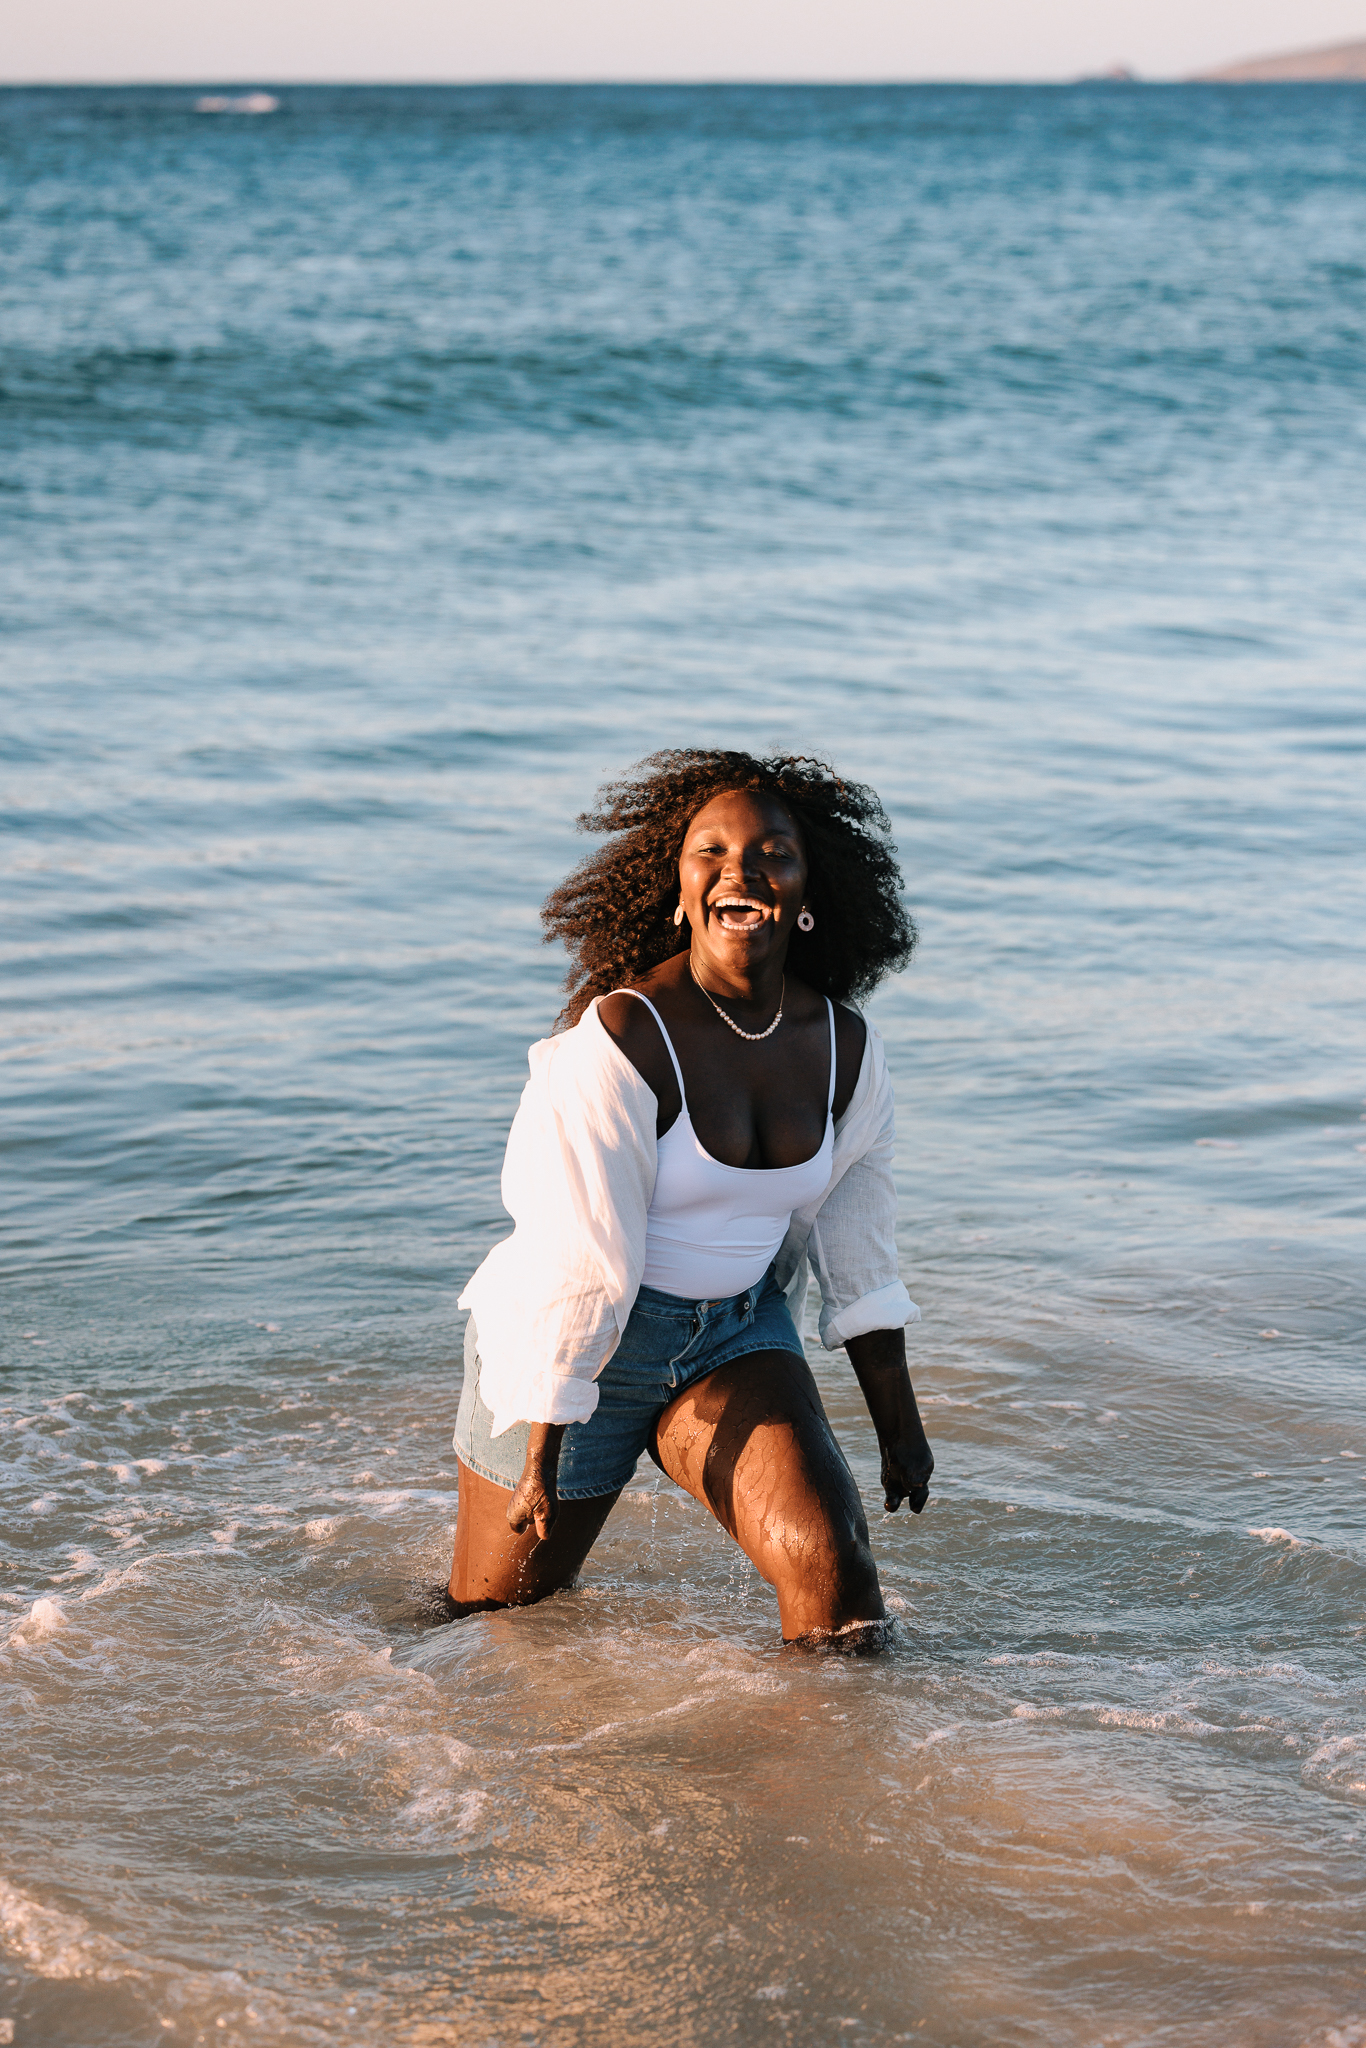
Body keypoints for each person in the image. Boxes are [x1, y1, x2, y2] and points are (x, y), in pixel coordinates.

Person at [444, 749, 934, 1646]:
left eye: (771, 853)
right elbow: (579, 1260)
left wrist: (900, 1430)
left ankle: (834, 1777)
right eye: (709, 851)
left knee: (837, 1579)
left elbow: (858, 1254)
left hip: (737, 1334)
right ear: (678, 886)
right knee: (491, 1630)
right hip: (576, 1353)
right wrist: (542, 1451)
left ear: (807, 888)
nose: (738, 871)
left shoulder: (847, 1049)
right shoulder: (623, 1036)